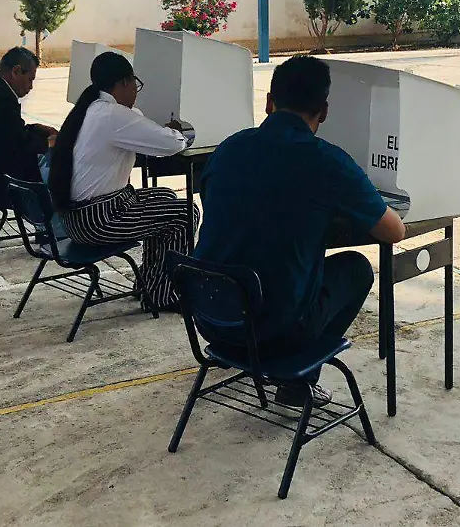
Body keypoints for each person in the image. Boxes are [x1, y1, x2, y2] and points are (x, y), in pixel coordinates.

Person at [194, 55, 407, 407]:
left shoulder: (228, 148)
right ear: (323, 112)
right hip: (275, 330)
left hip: (211, 317)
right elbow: (394, 231)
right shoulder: (328, 161)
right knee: (355, 268)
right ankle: (297, 382)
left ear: (269, 102)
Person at [49, 51, 194, 313]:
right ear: (124, 82)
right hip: (97, 220)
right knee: (185, 213)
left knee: (165, 196)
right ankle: (163, 294)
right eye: (135, 85)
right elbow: (171, 144)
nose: (136, 92)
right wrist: (179, 132)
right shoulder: (112, 115)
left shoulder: (91, 109)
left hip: (81, 215)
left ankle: (151, 282)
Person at [0, 47, 58, 209]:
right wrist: (49, 143)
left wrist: (36, 128)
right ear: (16, 71)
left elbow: (9, 131)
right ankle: (52, 221)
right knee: (57, 171)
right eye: (30, 79)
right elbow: (20, 142)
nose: (31, 87)